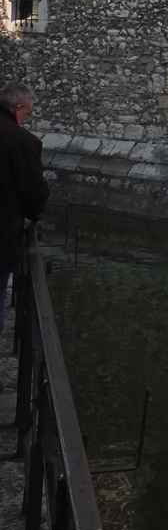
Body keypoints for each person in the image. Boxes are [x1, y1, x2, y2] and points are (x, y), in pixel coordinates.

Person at [0, 81, 49, 338]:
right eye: (27, 113)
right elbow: (33, 191)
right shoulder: (21, 140)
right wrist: (35, 214)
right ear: (19, 109)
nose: (25, 119)